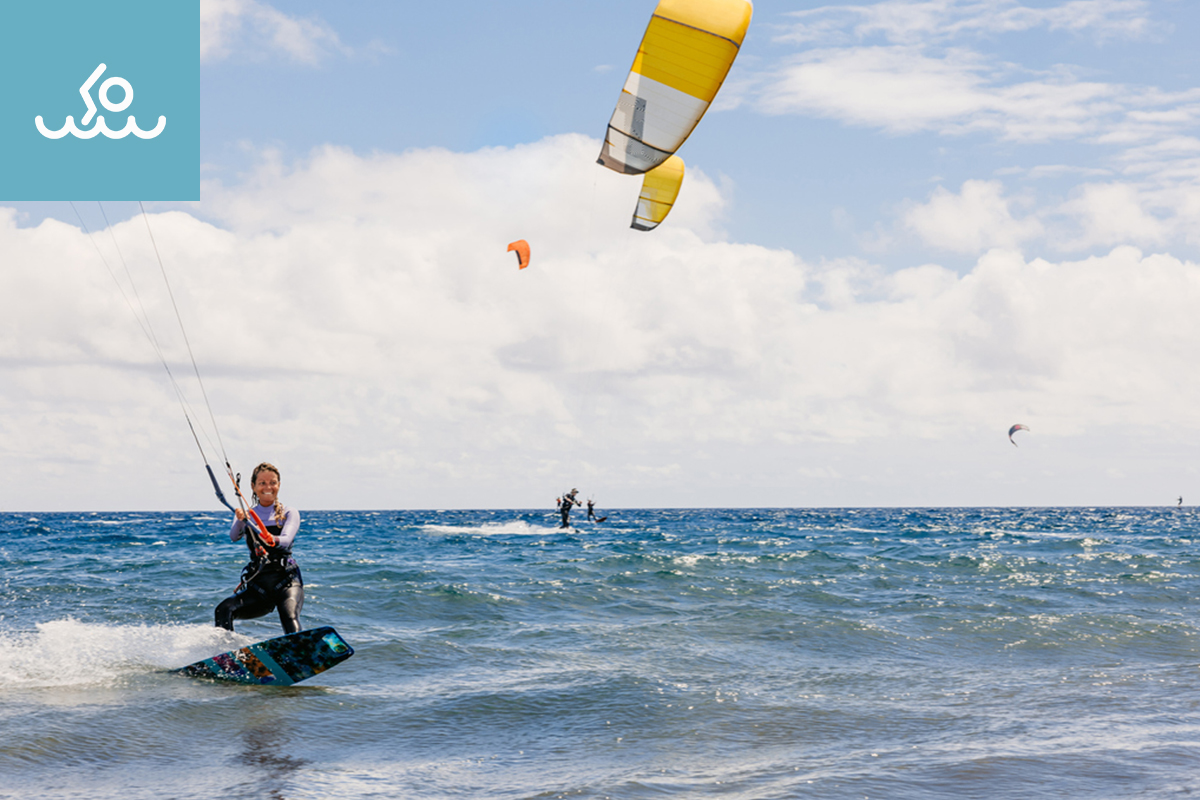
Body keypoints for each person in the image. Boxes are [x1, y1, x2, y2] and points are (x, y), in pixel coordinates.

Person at [214, 462, 304, 634]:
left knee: (289, 616)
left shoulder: (289, 513)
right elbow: (234, 537)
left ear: (279, 485)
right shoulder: (246, 515)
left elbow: (285, 540)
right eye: (262, 483)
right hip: (259, 587)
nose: (268, 486)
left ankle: (300, 652)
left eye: (273, 482)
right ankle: (227, 656)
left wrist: (271, 538)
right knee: (223, 609)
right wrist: (241, 519)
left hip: (286, 581)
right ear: (253, 486)